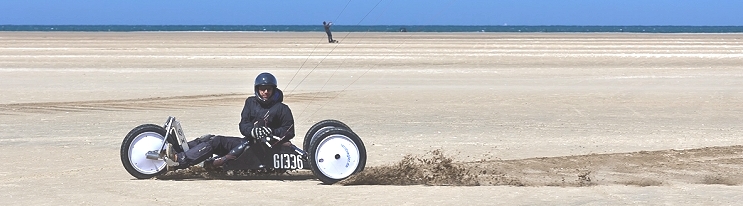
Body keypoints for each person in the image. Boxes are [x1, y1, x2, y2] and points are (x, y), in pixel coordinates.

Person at [170, 72, 295, 169]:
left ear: (274, 89)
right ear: (257, 89)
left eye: (269, 89)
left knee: (215, 142)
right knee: (212, 139)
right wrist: (252, 131)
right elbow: (243, 124)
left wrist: (270, 131)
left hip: (263, 149)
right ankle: (177, 150)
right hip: (247, 142)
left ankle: (180, 159)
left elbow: (289, 131)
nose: (265, 92)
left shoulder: (282, 108)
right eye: (263, 89)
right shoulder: (250, 102)